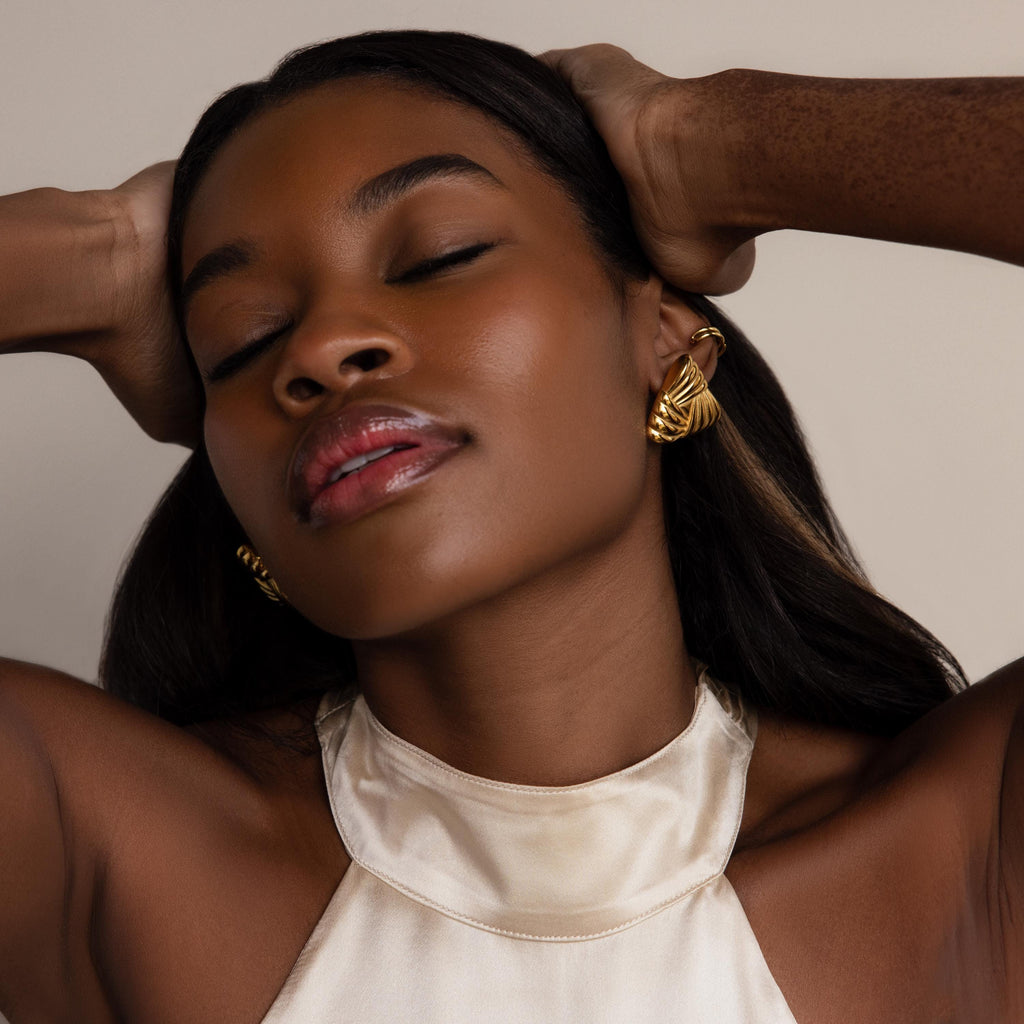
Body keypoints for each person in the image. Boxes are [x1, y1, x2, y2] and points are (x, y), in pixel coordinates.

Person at [0, 28, 1020, 1024]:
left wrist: (715, 145)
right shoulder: (108, 848)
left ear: (665, 345)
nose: (319, 346)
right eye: (242, 338)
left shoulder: (956, 854)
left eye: (439, 256)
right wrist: (88, 258)